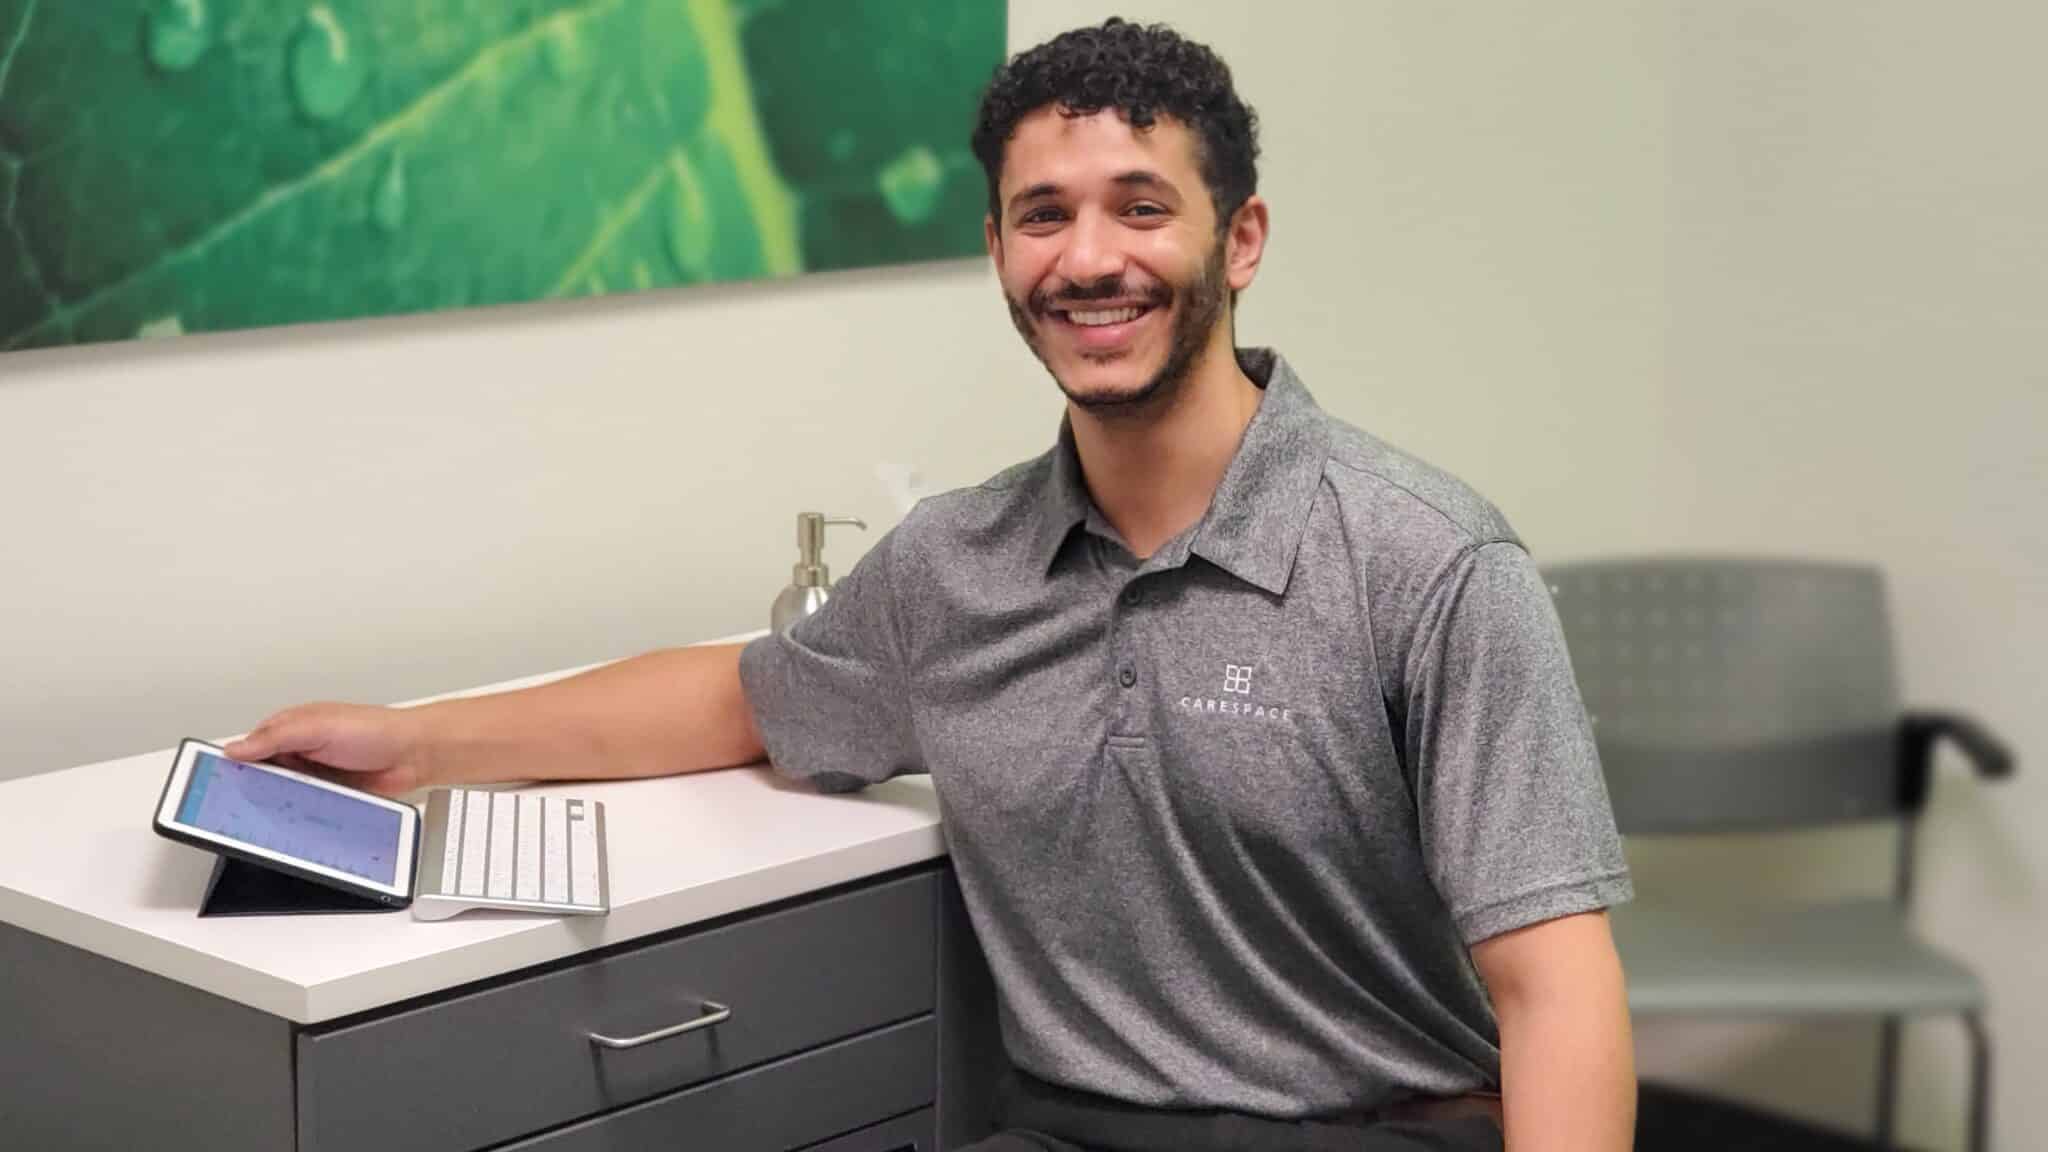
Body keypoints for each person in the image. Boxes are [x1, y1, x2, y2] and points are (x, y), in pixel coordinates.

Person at [228, 19, 1635, 1152]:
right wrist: (414, 743)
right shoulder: (959, 565)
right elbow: (738, 698)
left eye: (1142, 209)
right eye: (1043, 216)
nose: (1089, 260)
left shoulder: (1428, 560)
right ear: (998, 254)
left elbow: (1555, 991)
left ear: (1242, 240)